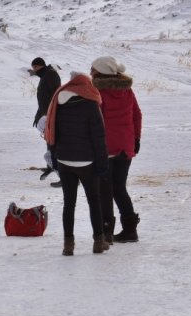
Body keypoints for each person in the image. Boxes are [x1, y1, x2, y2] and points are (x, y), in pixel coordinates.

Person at [44, 73, 109, 255]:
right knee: (94, 201)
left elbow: (53, 133)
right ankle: (98, 241)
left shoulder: (59, 103)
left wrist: (55, 157)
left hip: (65, 160)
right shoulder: (90, 104)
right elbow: (99, 137)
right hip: (87, 161)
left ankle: (68, 245)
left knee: (69, 204)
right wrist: (103, 163)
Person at [91, 56, 143, 244]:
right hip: (125, 147)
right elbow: (136, 115)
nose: (90, 72)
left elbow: (95, 121)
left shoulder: (97, 91)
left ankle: (106, 231)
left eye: (93, 69)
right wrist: (136, 139)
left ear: (99, 71)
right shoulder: (127, 90)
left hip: (106, 148)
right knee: (119, 188)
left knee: (104, 190)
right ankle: (130, 230)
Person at [30, 57, 62, 187]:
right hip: (46, 113)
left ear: (41, 65)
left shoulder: (51, 75)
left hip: (51, 114)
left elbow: (56, 95)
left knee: (53, 143)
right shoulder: (46, 75)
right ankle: (50, 166)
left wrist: (51, 113)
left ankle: (61, 173)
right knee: (49, 141)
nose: (34, 71)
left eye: (35, 68)